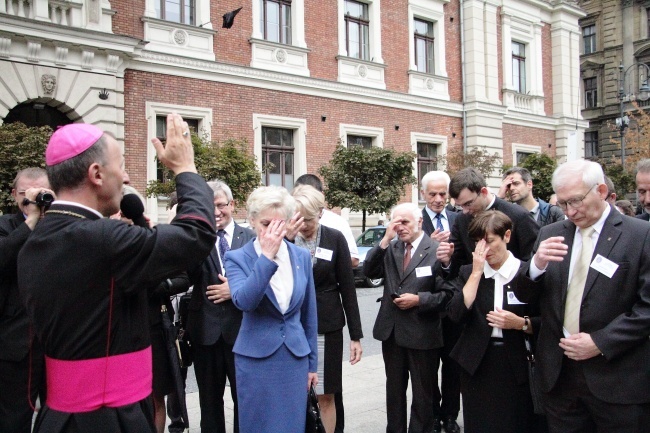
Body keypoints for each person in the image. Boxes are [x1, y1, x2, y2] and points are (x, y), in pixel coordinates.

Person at [17, 115, 217, 433]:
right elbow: (197, 234)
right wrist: (185, 169)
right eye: (120, 166)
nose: (124, 176)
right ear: (96, 173)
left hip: (61, 418)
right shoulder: (103, 238)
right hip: (108, 418)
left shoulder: (34, 239)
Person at [514, 159, 650, 432]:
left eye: (576, 201)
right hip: (560, 377)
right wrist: (536, 267)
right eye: (563, 204)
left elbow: (646, 307)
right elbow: (525, 298)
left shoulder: (639, 235)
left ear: (600, 191)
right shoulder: (550, 234)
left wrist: (600, 341)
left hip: (617, 377)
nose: (570, 211)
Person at [224, 185, 318, 433]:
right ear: (252, 221)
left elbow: (308, 315)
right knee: (259, 425)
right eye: (266, 224)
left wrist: (311, 365)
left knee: (292, 426)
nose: (272, 232)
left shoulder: (301, 257)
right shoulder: (237, 258)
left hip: (294, 359)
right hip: (256, 360)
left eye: (280, 224)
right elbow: (244, 301)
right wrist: (266, 257)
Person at [364, 202, 453, 433]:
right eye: (396, 222)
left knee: (423, 393)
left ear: (420, 222)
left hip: (423, 332)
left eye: (405, 222)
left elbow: (448, 295)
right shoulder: (391, 249)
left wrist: (419, 300)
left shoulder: (436, 250)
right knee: (394, 391)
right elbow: (369, 272)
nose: (400, 227)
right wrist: (384, 240)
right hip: (392, 332)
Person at [446, 210, 536, 433]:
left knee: (515, 422)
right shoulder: (469, 273)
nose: (483, 249)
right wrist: (476, 274)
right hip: (477, 361)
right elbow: (455, 315)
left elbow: (546, 320)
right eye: (478, 242)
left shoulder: (525, 272)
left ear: (506, 236)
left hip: (515, 362)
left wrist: (520, 323)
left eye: (489, 241)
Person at [291, 185, 363, 433]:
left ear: (320, 213)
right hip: (294, 325)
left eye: (308, 219)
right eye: (298, 218)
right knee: (295, 393)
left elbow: (348, 288)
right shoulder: (287, 239)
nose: (303, 225)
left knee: (326, 393)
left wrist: (356, 335)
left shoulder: (335, 238)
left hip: (327, 325)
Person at [186, 180, 254, 433]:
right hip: (206, 332)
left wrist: (235, 289)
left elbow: (262, 278)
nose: (215, 212)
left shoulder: (251, 238)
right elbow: (186, 275)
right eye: (208, 206)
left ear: (232, 205)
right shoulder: (197, 239)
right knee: (209, 404)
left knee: (244, 401)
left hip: (242, 332)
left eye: (220, 205)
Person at [0, 168, 53, 433]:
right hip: (16, 344)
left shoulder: (62, 225)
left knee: (60, 416)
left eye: (41, 194)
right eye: (25, 194)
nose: (33, 200)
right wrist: (30, 221)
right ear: (13, 195)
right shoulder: (5, 226)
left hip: (57, 341)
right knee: (14, 419)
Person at [439, 167, 540, 279]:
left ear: (484, 192)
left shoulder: (519, 216)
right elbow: (459, 264)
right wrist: (447, 261)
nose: (465, 211)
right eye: (460, 206)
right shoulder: (461, 219)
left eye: (468, 204)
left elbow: (533, 261)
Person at [419, 170, 460, 433]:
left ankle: (450, 415)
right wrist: (427, 246)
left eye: (443, 193)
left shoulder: (458, 219)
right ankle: (432, 413)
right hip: (427, 306)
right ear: (423, 194)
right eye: (432, 194)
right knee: (428, 367)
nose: (438, 199)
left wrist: (451, 257)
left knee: (453, 365)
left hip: (454, 306)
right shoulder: (416, 221)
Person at [499, 167, 564, 227]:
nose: (512, 188)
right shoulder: (507, 215)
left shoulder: (553, 213)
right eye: (508, 186)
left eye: (516, 183)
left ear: (529, 184)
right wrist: (499, 198)